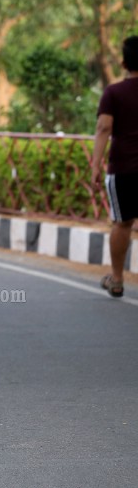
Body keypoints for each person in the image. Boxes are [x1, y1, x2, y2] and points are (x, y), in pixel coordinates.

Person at [93, 35, 138, 298]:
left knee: (122, 223)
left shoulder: (113, 93)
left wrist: (96, 164)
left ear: (123, 63)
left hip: (123, 170)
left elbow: (104, 127)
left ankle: (118, 279)